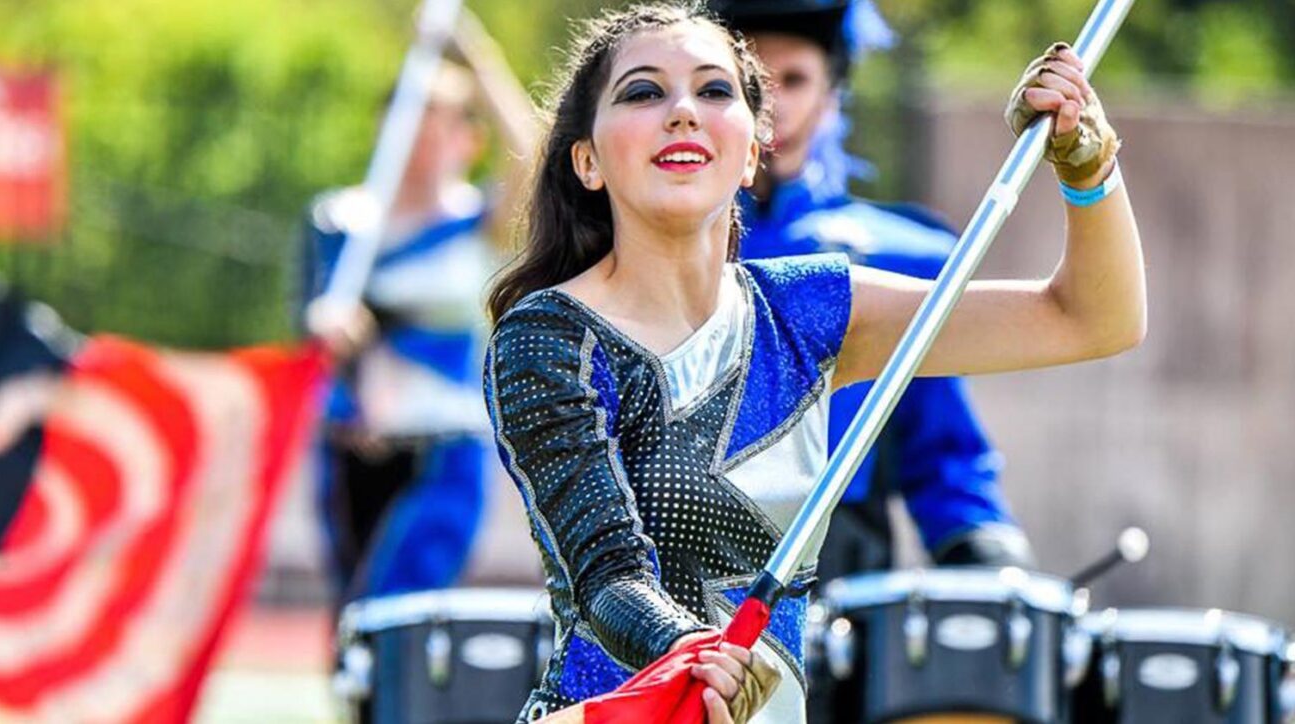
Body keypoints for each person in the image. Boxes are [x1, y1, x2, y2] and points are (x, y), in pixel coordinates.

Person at [483, 3, 1137, 722]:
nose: (682, 112)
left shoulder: (811, 309)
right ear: (587, 160)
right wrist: (693, 651)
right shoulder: (546, 337)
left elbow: (1092, 318)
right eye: (643, 92)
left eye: (714, 90)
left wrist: (1087, 163)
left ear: (754, 148)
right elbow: (608, 575)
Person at [711, 0, 1035, 586]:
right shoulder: (651, 241)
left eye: (794, 79)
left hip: (841, 565)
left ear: (832, 96)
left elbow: (940, 449)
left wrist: (986, 554)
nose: (771, 100)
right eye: (748, 78)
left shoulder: (903, 255)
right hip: (670, 554)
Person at [301, 13, 536, 617]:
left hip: (442, 451)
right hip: (352, 447)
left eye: (440, 119)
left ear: (468, 138)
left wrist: (474, 52)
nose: (421, 135)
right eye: (412, 117)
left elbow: (533, 160)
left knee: (400, 610)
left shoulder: (475, 224)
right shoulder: (342, 225)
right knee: (352, 619)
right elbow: (311, 328)